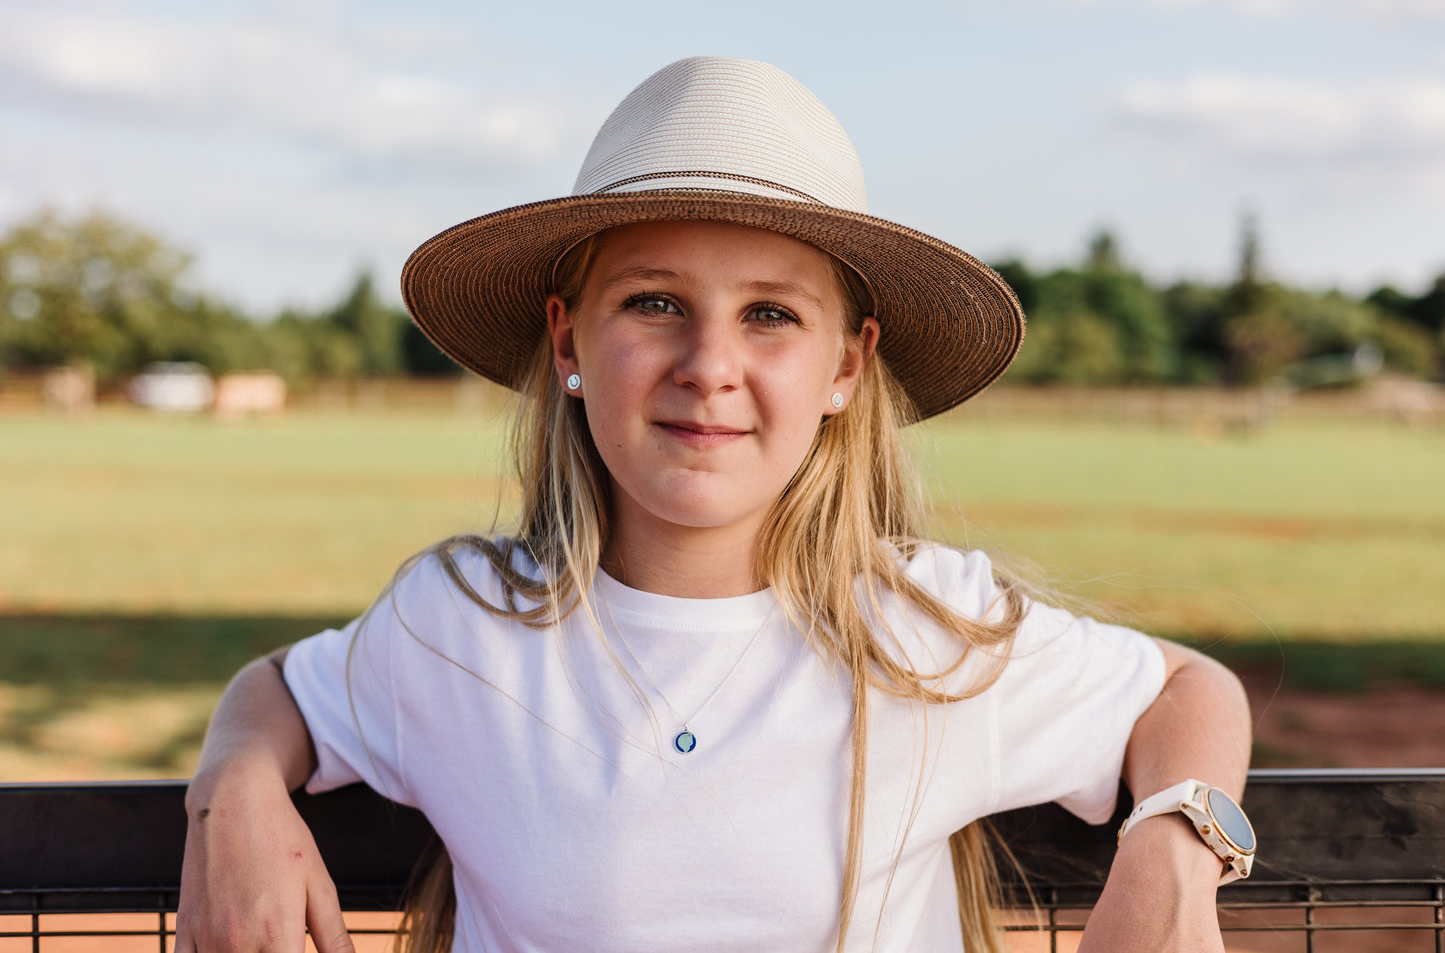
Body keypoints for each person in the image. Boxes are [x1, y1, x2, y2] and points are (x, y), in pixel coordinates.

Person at [176, 57, 1251, 953]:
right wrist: (235, 790)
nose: (708, 365)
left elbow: (1185, 690)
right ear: (567, 339)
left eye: (770, 314)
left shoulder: (926, 633)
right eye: (654, 302)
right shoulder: (457, 625)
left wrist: (1173, 848)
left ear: (844, 366)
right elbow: (278, 692)